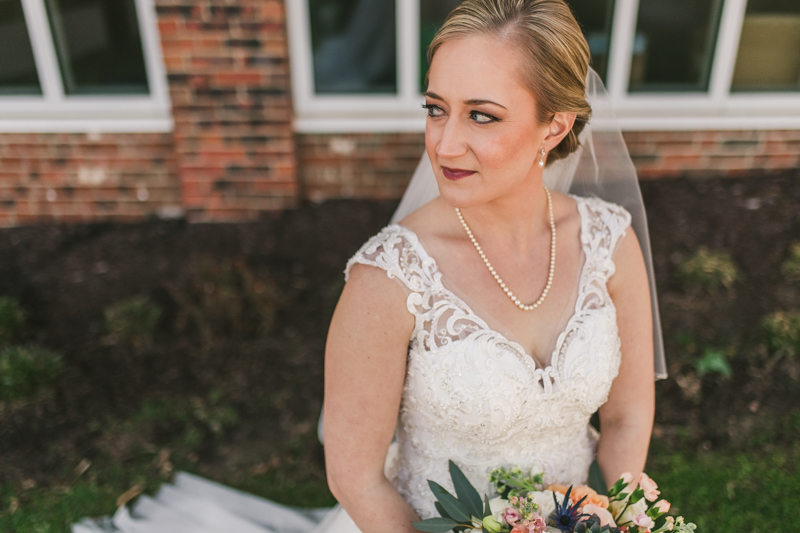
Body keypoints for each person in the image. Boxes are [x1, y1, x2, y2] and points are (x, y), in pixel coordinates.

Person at [72, 1, 665, 532]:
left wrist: (605, 520)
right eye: (437, 109)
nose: (445, 144)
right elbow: (355, 476)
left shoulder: (608, 241)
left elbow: (628, 417)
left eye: (481, 116)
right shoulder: (389, 277)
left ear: (554, 126)